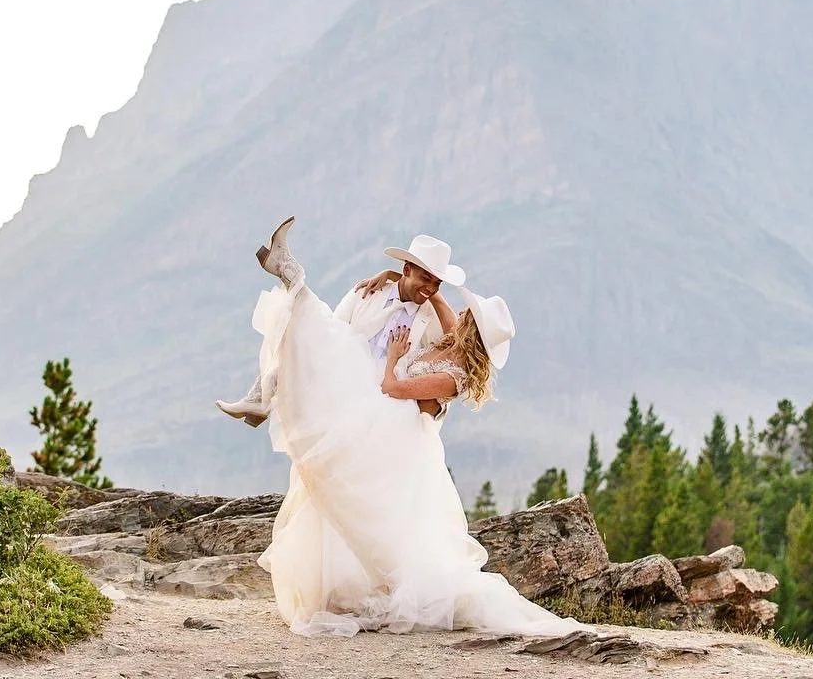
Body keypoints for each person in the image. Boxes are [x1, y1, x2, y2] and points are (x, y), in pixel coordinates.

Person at [238, 216, 582, 638]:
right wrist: (393, 278)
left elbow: (396, 387)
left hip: (389, 424)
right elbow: (441, 311)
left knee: (350, 492)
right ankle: (268, 378)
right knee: (324, 352)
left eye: (469, 315)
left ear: (471, 330)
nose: (458, 310)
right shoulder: (449, 342)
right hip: (382, 417)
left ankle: (289, 290)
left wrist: (394, 356)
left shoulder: (453, 371)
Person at [215, 225, 464, 425]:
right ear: (407, 269)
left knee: (312, 326)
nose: (431, 287)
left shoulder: (429, 317)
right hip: (339, 377)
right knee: (306, 329)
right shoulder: (367, 292)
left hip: (380, 401)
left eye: (437, 283)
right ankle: (261, 394)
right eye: (426, 278)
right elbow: (330, 329)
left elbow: (458, 343)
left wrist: (432, 294)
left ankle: (287, 269)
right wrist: (393, 277)